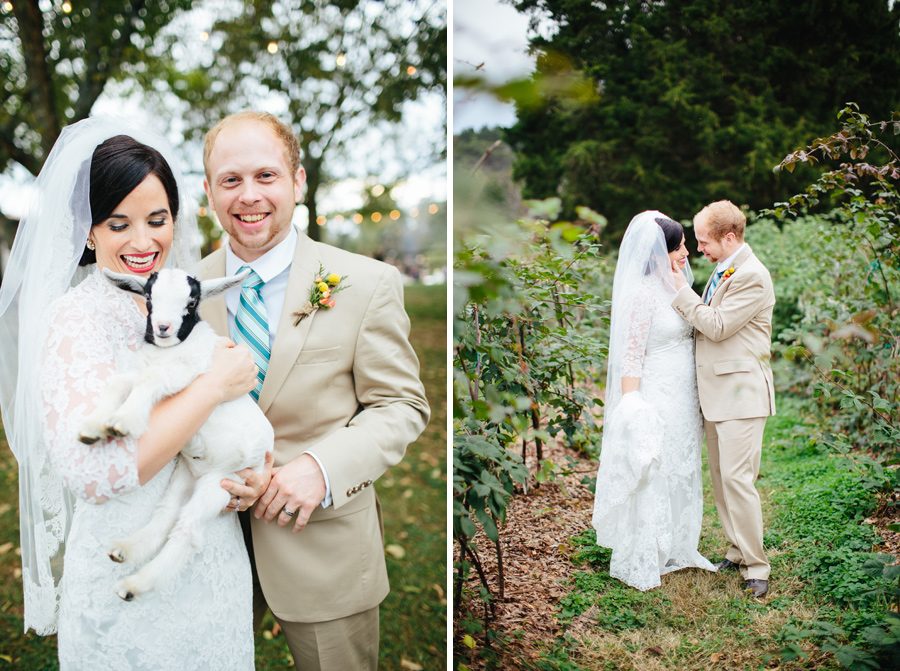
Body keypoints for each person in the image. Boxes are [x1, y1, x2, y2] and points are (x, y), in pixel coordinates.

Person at [0, 118, 272, 668]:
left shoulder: (169, 302)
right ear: (89, 229)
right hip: (124, 577)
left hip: (211, 559)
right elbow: (93, 474)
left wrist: (253, 470)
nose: (145, 242)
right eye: (118, 223)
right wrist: (214, 385)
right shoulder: (72, 321)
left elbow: (217, 429)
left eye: (157, 219)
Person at [199, 110, 430, 670]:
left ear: (298, 182)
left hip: (322, 544)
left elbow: (401, 405)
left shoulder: (366, 283)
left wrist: (320, 469)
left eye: (266, 176)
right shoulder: (183, 287)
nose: (248, 195)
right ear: (208, 192)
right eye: (230, 180)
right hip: (202, 547)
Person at [592, 210, 717, 591]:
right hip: (656, 394)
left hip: (684, 395)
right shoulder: (642, 293)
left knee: (682, 466)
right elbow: (630, 354)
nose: (686, 252)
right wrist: (631, 406)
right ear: (659, 252)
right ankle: (647, 550)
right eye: (679, 246)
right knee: (656, 468)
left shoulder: (676, 285)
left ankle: (679, 545)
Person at [670, 200, 776, 599]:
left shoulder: (753, 276)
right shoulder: (724, 267)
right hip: (717, 393)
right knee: (721, 479)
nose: (699, 249)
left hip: (742, 394)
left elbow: (716, 326)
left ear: (729, 238)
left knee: (738, 480)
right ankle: (736, 549)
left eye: (704, 241)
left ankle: (757, 565)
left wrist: (681, 290)